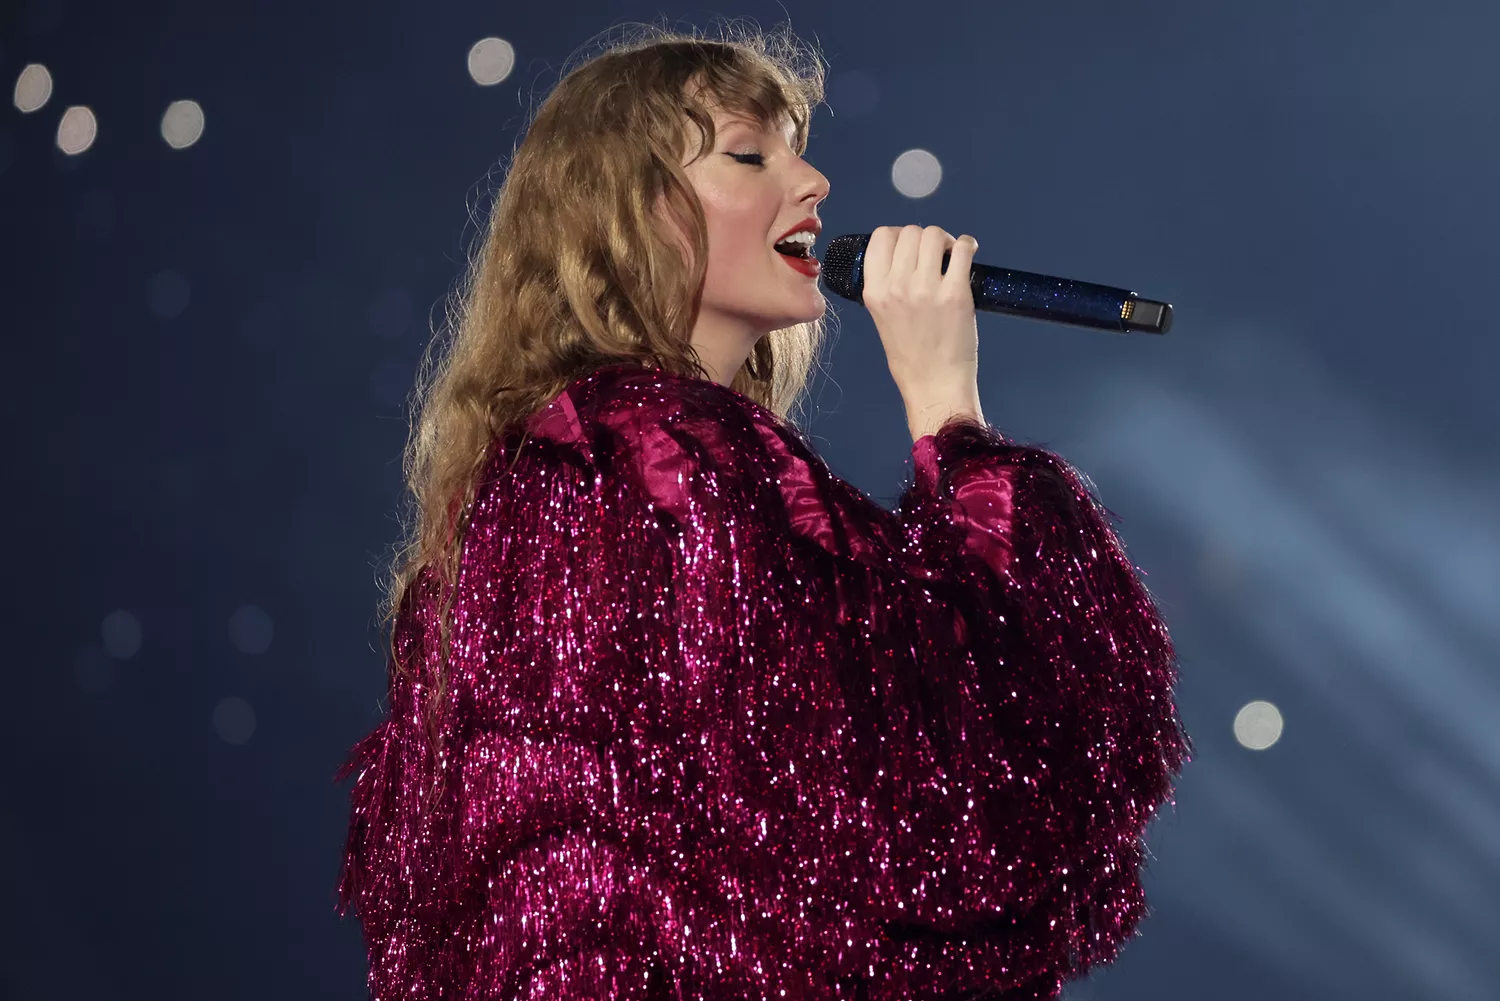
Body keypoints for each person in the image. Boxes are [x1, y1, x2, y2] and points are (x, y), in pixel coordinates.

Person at [336, 22, 1191, 1001]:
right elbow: (948, 796)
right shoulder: (671, 461)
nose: (815, 181)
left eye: (796, 147)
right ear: (633, 211)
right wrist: (949, 410)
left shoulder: (539, 485)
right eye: (751, 153)